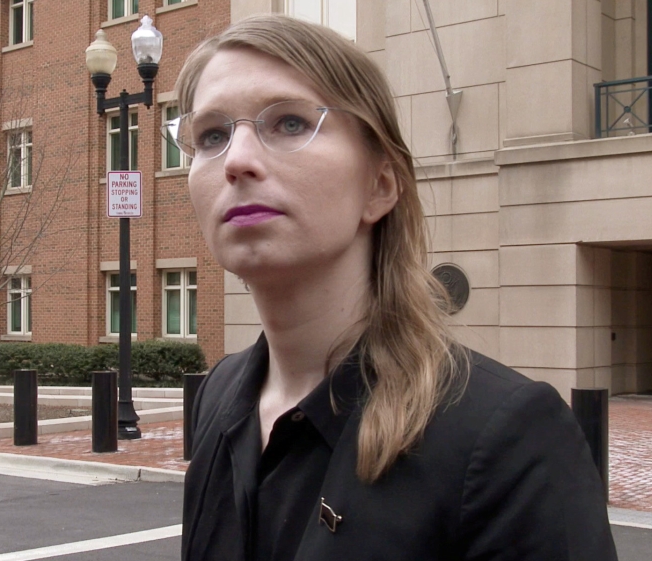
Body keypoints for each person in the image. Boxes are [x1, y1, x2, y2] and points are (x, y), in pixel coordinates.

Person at [169, 14, 618, 561]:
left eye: (288, 123)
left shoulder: (508, 436)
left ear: (380, 185)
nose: (236, 160)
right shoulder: (221, 393)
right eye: (212, 135)